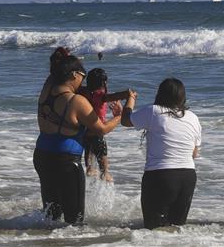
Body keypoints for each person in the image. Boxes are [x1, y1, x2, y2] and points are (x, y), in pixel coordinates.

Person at [34, 53, 125, 225]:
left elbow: (55, 70)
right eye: (82, 78)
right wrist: (119, 116)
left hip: (42, 157)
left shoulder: (47, 89)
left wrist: (65, 58)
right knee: (74, 222)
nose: (82, 83)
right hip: (66, 162)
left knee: (51, 216)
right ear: (74, 74)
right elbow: (102, 129)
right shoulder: (77, 101)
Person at [121, 78, 202, 228]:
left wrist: (130, 100)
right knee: (175, 229)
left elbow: (125, 120)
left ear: (160, 94)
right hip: (188, 177)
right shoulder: (193, 117)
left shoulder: (154, 111)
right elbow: (194, 153)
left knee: (154, 230)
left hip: (160, 176)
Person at [80, 68, 130, 181]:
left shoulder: (83, 92)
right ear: (104, 82)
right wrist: (128, 94)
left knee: (89, 158)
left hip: (86, 131)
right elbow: (113, 97)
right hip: (97, 132)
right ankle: (105, 174)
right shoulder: (100, 95)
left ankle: (90, 176)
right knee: (103, 159)